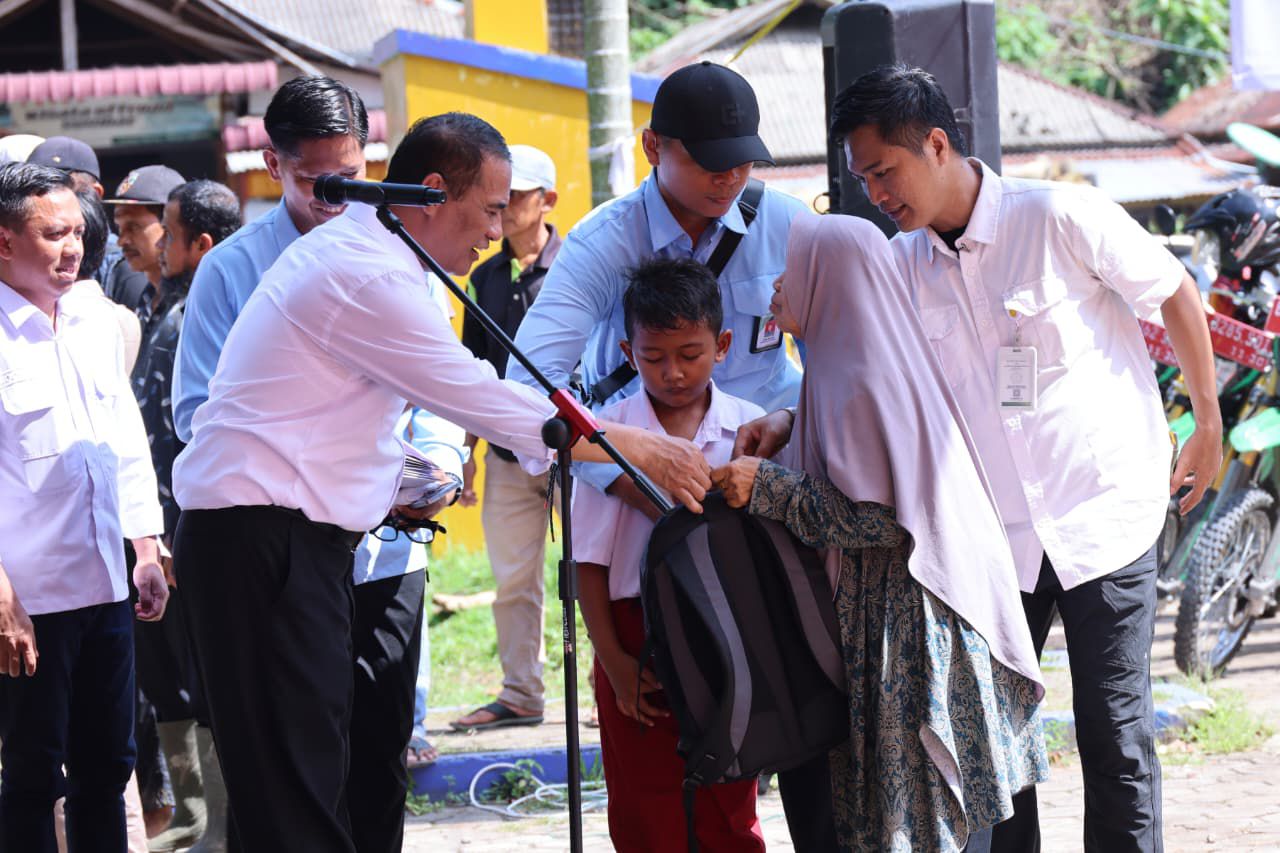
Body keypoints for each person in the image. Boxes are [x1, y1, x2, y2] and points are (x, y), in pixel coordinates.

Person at [169, 112, 712, 852]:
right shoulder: (365, 273)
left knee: (313, 775)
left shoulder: (383, 259)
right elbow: (488, 398)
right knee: (292, 791)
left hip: (297, 544)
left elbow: (333, 422)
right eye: (489, 208)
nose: (494, 231)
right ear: (431, 193)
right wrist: (640, 448)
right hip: (262, 545)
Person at [747, 64, 1223, 852]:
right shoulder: (897, 269)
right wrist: (784, 415)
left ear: (936, 144)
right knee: (995, 745)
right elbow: (874, 384)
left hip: (1103, 513)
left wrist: (1205, 419)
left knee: (1117, 737)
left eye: (883, 170)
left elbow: (1172, 290)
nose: (875, 193)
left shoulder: (1059, 217)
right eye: (862, 177)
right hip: (993, 545)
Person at [509, 61, 835, 847]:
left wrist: (787, 418)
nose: (730, 177)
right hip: (645, 550)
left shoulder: (791, 226)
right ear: (655, 146)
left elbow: (850, 364)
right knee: (659, 771)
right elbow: (525, 399)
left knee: (806, 737)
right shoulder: (601, 245)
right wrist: (625, 458)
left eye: (744, 161)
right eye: (709, 159)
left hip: (772, 535)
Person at [715, 212, 1048, 851]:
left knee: (910, 820)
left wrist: (768, 486)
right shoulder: (853, 358)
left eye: (795, 268)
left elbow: (880, 516)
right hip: (902, 607)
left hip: (907, 620)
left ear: (831, 277)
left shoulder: (859, 372)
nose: (778, 286)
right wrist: (787, 423)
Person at [0, 162, 169, 852]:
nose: (72, 247)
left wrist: (148, 545)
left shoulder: (96, 321)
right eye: (52, 233)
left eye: (76, 232)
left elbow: (124, 440)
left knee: (108, 766)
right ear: (5, 241)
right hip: (29, 598)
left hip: (105, 583)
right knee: (33, 774)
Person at [574, 257, 766, 851]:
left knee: (729, 803)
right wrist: (613, 660)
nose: (673, 373)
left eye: (690, 354)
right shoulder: (604, 437)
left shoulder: (750, 431)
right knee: (644, 802)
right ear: (629, 353)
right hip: (636, 637)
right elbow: (589, 565)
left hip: (729, 632)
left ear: (723, 345)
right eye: (654, 358)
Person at [132, 179, 242, 853]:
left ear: (202, 243)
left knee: (205, 681)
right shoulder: (165, 305)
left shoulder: (206, 315)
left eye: (168, 233)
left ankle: (221, 828)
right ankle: (190, 819)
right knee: (169, 679)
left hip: (189, 533)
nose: (159, 245)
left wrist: (171, 534)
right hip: (157, 533)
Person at [172, 75, 368, 443]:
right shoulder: (226, 270)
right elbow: (195, 412)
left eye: (349, 175)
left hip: (387, 491)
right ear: (274, 165)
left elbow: (434, 384)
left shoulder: (401, 250)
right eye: (315, 180)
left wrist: (442, 463)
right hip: (272, 493)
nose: (336, 195)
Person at [453, 144, 562, 732]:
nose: (506, 210)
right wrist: (465, 453)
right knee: (513, 578)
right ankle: (521, 692)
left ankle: (613, 685)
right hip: (505, 452)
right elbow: (474, 371)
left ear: (548, 200)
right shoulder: (486, 275)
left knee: (599, 567)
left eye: (517, 197)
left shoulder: (576, 266)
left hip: (577, 450)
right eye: (501, 198)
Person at [27, 135, 149, 312]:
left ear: (95, 193)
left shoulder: (126, 266)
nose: (48, 198)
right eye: (36, 189)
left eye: (59, 186)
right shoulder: (24, 256)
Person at [105, 165, 187, 321]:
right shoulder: (145, 299)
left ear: (170, 223)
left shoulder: (192, 303)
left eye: (134, 227)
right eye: (119, 228)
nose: (122, 241)